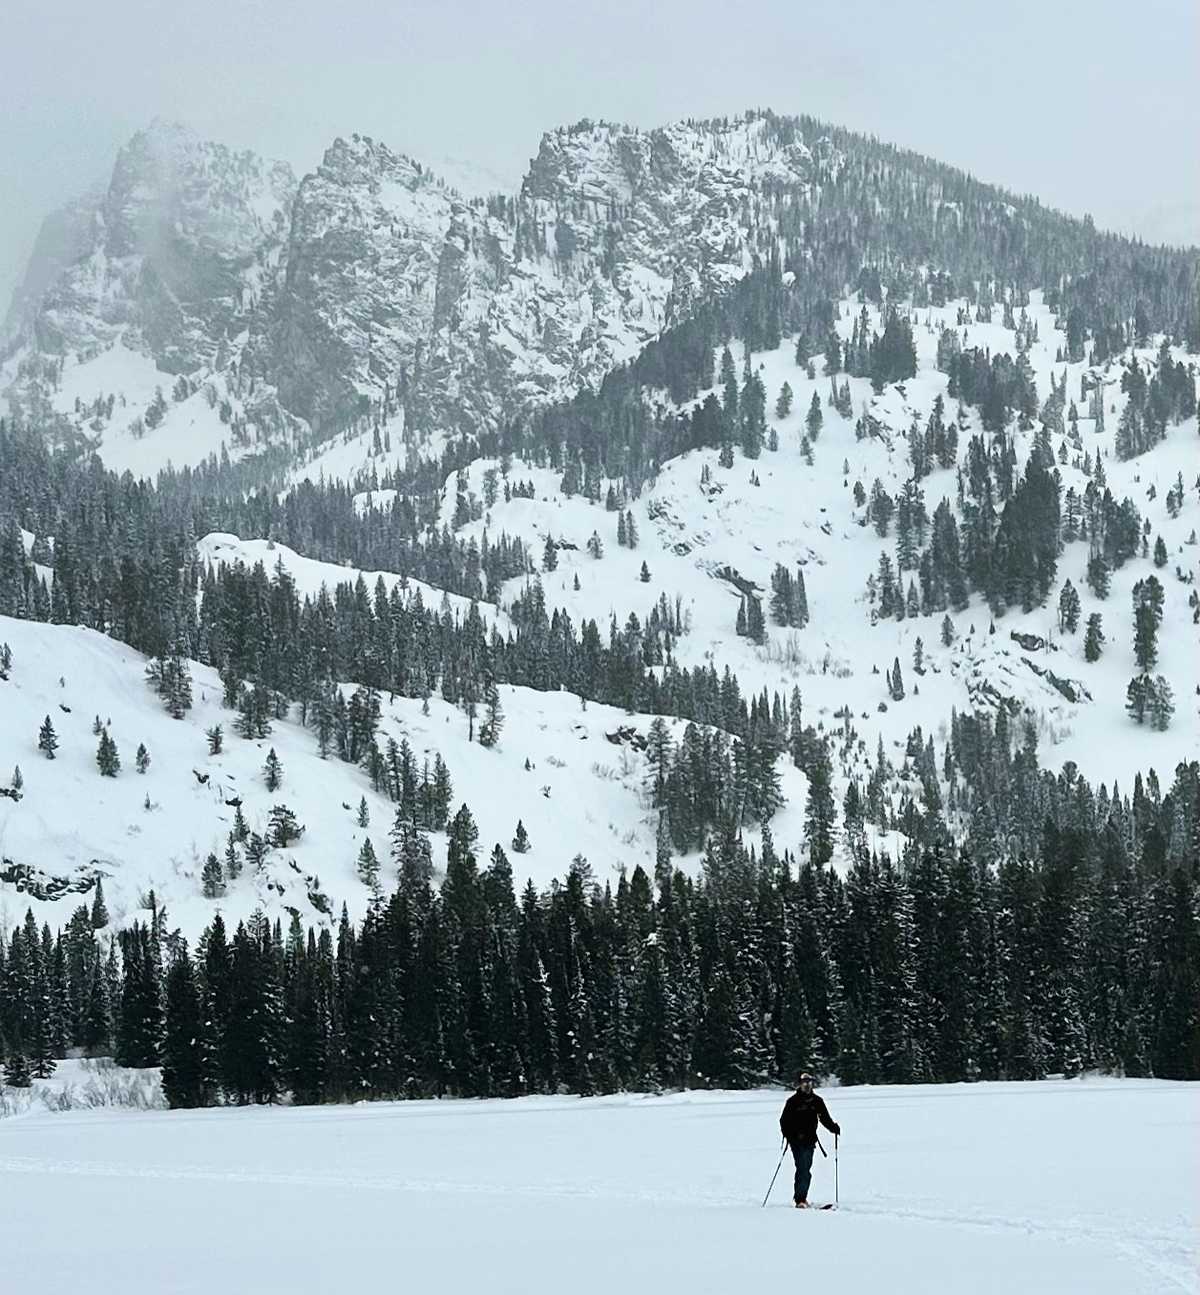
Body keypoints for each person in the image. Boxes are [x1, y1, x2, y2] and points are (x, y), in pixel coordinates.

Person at [779, 1071, 840, 1207]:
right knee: (802, 1169)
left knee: (806, 1168)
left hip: (810, 1140)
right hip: (796, 1141)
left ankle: (801, 1197)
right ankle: (800, 1199)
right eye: (804, 1083)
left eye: (809, 1082)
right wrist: (790, 1135)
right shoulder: (792, 1101)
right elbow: (784, 1121)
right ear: (800, 1084)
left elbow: (824, 1118)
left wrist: (833, 1128)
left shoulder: (817, 1101)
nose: (806, 1085)